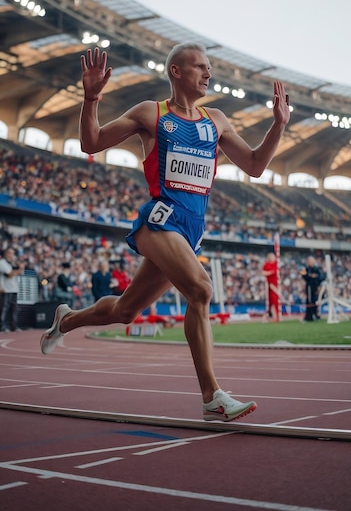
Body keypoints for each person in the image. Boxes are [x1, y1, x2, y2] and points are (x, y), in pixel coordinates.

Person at [40, 43, 290, 422]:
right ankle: (211, 395)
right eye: (200, 67)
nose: (208, 74)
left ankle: (67, 320)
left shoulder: (216, 120)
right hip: (159, 221)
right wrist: (90, 98)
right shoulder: (151, 114)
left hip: (190, 231)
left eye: (209, 68)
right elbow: (91, 143)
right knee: (201, 289)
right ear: (177, 71)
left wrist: (279, 125)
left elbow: (255, 165)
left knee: (125, 311)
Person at [0, 248, 25, 332]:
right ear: (7, 253)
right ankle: (2, 326)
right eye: (11, 253)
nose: (13, 255)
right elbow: (10, 274)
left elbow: (21, 273)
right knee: (4, 308)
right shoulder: (2, 263)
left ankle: (13, 326)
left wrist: (21, 267)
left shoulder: (12, 263)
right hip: (6, 289)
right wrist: (18, 270)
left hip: (14, 289)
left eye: (13, 254)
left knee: (14, 309)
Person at [300, 255, 324, 321]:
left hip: (316, 287)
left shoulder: (317, 269)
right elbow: (303, 275)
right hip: (309, 287)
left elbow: (320, 277)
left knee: (316, 301)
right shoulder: (305, 268)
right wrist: (310, 276)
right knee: (310, 301)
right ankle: (309, 316)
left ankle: (316, 315)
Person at [262, 252, 280, 321]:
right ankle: (274, 316)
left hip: (276, 285)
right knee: (272, 301)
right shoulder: (267, 265)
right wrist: (271, 272)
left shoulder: (277, 264)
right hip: (271, 285)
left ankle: (277, 316)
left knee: (276, 301)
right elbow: (264, 273)